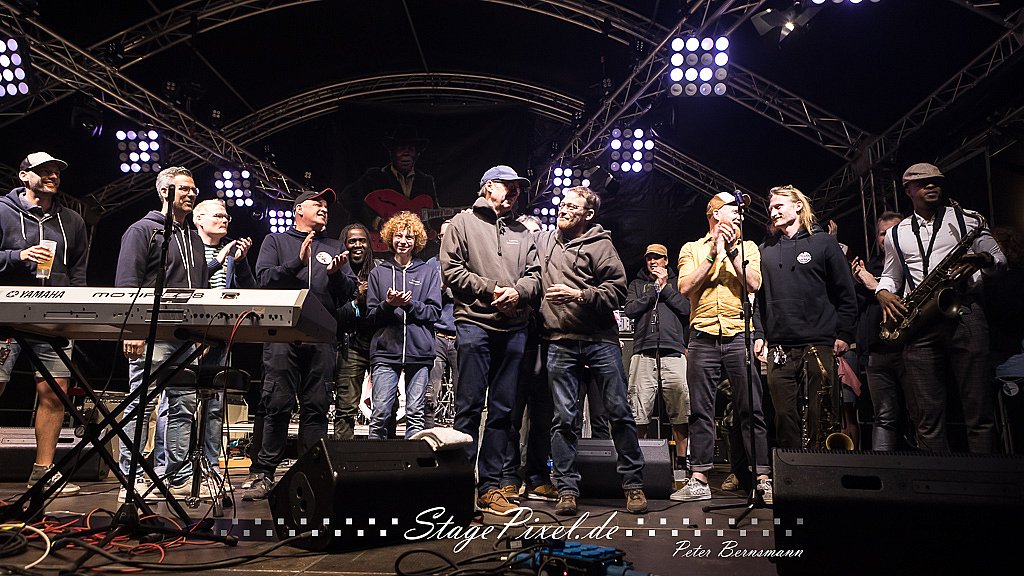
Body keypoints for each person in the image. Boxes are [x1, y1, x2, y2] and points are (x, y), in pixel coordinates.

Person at [875, 163, 1005, 453]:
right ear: (908, 191)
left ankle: (986, 477)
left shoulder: (969, 220)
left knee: (979, 411)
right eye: (922, 183)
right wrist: (882, 292)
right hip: (921, 320)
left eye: (935, 181)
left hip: (965, 312)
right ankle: (936, 478)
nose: (931, 186)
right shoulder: (896, 233)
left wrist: (982, 260)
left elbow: (1000, 260)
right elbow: (891, 275)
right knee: (927, 416)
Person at [536, 186, 647, 516]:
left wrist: (578, 295)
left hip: (600, 340)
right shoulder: (544, 242)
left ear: (588, 214)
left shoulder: (600, 244)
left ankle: (633, 485)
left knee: (619, 412)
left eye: (573, 207)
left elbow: (617, 291)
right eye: (563, 204)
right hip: (560, 340)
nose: (564, 209)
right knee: (564, 419)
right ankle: (567, 489)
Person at [440, 165, 540, 516]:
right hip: (474, 325)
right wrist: (493, 290)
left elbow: (535, 276)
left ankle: (490, 487)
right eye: (507, 186)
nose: (515, 192)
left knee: (503, 411)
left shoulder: (522, 232)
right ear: (487, 187)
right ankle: (459, 488)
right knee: (468, 408)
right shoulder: (462, 223)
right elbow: (451, 271)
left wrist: (518, 293)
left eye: (518, 188)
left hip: (514, 330)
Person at [245, 188, 355, 500]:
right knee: (277, 403)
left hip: (321, 337)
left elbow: (348, 292)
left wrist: (335, 275)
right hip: (282, 335)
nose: (324, 208)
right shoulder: (276, 241)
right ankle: (264, 473)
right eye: (317, 204)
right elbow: (264, 280)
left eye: (326, 206)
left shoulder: (335, 247)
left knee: (316, 406)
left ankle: (312, 477)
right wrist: (297, 262)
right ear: (298, 210)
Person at [115, 166, 209, 502]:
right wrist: (134, 329)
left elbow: (200, 288)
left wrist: (200, 332)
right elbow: (127, 284)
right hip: (151, 333)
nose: (191, 193)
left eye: (193, 189)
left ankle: (177, 477)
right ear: (164, 192)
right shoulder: (143, 230)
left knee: (182, 406)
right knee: (142, 405)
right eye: (184, 188)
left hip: (185, 336)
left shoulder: (194, 237)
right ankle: (131, 479)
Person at [672, 191, 771, 504]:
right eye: (734, 208)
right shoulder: (692, 248)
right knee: (701, 410)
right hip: (702, 337)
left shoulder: (748, 247)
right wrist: (714, 254)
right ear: (715, 213)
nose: (740, 214)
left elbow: (753, 284)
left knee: (751, 408)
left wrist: (730, 252)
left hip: (740, 334)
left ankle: (762, 479)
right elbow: (685, 287)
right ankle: (699, 478)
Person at [0, 152, 88, 496]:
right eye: (44, 171)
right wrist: (17, 256)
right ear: (24, 175)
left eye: (56, 172)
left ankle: (43, 472)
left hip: (53, 316)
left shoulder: (72, 221)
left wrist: (76, 312)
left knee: (54, 391)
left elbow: (78, 270)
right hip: (6, 314)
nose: (52, 176)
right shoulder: (3, 210)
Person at [758, 185, 858, 454]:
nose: (773, 212)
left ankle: (820, 467)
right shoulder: (765, 250)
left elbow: (845, 291)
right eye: (771, 208)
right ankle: (792, 468)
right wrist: (759, 335)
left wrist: (844, 333)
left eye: (779, 206)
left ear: (798, 206)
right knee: (783, 414)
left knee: (821, 412)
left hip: (819, 341)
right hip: (779, 345)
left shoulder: (824, 243)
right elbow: (756, 300)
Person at [365, 212, 441, 440]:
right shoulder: (378, 273)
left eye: (409, 237)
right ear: (390, 238)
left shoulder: (428, 272)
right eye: (398, 235)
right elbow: (371, 317)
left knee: (415, 414)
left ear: (416, 241)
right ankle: (375, 461)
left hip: (420, 351)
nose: (403, 241)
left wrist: (409, 305)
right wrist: (388, 305)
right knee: (380, 414)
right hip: (386, 352)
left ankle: (412, 463)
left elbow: (434, 312)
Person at [499, 214, 557, 503]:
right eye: (527, 231)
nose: (532, 237)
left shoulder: (550, 261)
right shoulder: (511, 260)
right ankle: (508, 477)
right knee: (511, 416)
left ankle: (537, 477)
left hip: (546, 345)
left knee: (543, 417)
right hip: (516, 345)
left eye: (537, 232)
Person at [623, 243, 690, 470]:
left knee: (680, 411)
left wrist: (665, 289)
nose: (653, 261)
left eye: (658, 258)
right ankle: (641, 465)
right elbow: (630, 310)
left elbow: (686, 309)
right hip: (643, 351)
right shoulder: (637, 284)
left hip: (673, 351)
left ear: (666, 261)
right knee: (639, 410)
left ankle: (681, 463)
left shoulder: (678, 282)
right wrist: (653, 291)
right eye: (649, 258)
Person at [851, 211, 906, 450]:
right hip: (876, 352)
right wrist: (856, 281)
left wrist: (873, 284)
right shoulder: (869, 266)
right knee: (883, 417)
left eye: (894, 231)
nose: (887, 238)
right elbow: (856, 309)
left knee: (922, 413)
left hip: (908, 349)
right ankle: (884, 467)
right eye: (883, 234)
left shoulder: (913, 266)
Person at [337, 127, 438, 247]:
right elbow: (347, 197)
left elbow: (434, 214)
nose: (406, 153)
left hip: (410, 246)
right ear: (392, 152)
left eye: (411, 149)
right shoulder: (375, 176)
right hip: (379, 244)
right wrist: (376, 221)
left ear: (417, 154)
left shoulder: (425, 181)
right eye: (401, 149)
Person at [331, 223, 378, 440]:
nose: (358, 245)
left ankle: (387, 454)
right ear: (344, 244)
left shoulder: (380, 270)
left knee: (386, 406)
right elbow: (334, 314)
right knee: (346, 407)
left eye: (362, 240)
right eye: (352, 241)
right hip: (351, 346)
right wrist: (357, 300)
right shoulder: (336, 273)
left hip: (379, 346)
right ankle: (342, 455)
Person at [426, 220, 458, 429]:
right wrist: (440, 287)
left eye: (450, 234)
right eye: (442, 235)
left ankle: (463, 439)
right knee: (430, 394)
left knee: (464, 393)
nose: (446, 239)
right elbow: (424, 298)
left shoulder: (468, 262)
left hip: (461, 335)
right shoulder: (431, 264)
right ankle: (427, 438)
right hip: (436, 335)